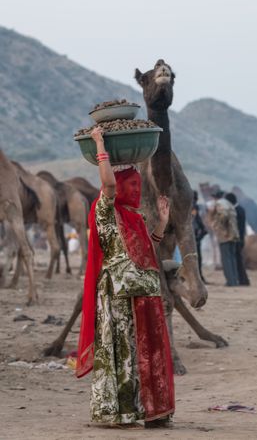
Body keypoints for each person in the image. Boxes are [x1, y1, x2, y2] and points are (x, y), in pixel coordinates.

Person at [76, 126, 175, 429]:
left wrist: (163, 222)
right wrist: (99, 144)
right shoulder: (106, 209)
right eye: (131, 185)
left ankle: (150, 411)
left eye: (137, 185)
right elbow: (106, 184)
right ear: (119, 186)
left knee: (144, 351)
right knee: (121, 350)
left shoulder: (135, 217)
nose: (136, 190)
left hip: (145, 292)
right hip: (117, 293)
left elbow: (150, 246)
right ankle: (118, 412)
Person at [208, 190, 239, 286]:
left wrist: (216, 225)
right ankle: (234, 280)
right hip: (233, 234)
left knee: (226, 259)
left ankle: (230, 282)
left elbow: (223, 216)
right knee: (232, 258)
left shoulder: (219, 203)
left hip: (225, 235)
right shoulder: (229, 203)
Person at [225, 192, 250, 286]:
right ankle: (243, 280)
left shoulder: (235, 211)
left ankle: (242, 280)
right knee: (239, 260)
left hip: (237, 239)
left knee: (237, 261)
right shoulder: (240, 209)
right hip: (240, 238)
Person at [192, 191, 207, 283]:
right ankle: (198, 277)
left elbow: (195, 220)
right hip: (194, 235)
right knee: (197, 257)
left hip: (193, 235)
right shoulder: (193, 206)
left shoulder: (192, 206)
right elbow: (195, 220)